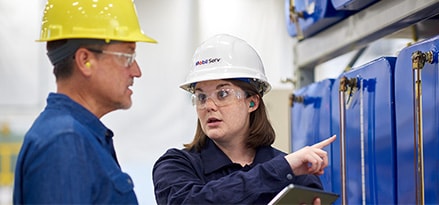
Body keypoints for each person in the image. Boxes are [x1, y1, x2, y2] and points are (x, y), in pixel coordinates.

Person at [152, 34, 336, 204]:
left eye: (222, 94)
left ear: (252, 102)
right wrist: (279, 171)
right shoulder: (176, 165)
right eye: (201, 97)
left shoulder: (296, 174)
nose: (209, 105)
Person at [13, 0, 156, 204]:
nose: (137, 71)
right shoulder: (64, 143)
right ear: (85, 61)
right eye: (127, 56)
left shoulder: (79, 137)